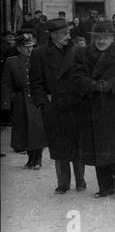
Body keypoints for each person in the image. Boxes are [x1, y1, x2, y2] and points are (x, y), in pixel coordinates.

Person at [71, 21, 115, 199]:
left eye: (105, 38)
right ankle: (105, 186)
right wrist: (92, 84)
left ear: (112, 38)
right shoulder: (82, 53)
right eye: (98, 38)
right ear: (93, 38)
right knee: (98, 148)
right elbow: (76, 76)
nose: (101, 41)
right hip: (92, 107)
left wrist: (111, 84)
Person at [29, 18, 86, 194]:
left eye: (68, 33)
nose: (68, 36)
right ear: (53, 35)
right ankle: (63, 183)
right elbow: (36, 82)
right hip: (54, 108)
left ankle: (80, 181)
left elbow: (83, 77)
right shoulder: (39, 54)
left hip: (75, 106)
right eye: (64, 33)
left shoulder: (77, 52)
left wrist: (82, 99)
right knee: (58, 147)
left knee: (77, 146)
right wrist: (43, 103)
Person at [1, 34, 47, 169]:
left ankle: (37, 159)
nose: (30, 50)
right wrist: (6, 104)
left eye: (32, 46)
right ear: (19, 48)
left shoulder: (39, 60)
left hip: (37, 98)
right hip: (20, 100)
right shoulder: (11, 62)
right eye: (26, 47)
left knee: (38, 129)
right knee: (24, 130)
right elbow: (6, 84)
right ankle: (30, 158)